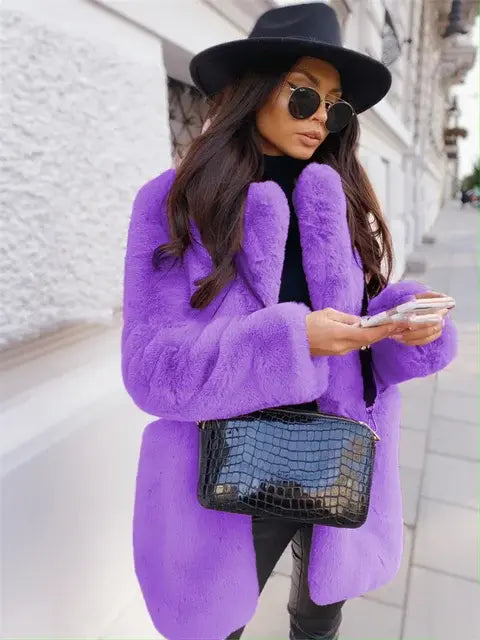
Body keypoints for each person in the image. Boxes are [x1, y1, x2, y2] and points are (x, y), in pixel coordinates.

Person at [121, 4, 457, 639]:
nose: (322, 118)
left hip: (341, 453)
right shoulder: (175, 202)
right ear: (254, 89)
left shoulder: (338, 196)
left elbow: (353, 338)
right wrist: (289, 343)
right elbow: (150, 368)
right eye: (304, 95)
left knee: (320, 619)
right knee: (217, 626)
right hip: (225, 467)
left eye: (336, 106)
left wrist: (399, 326)